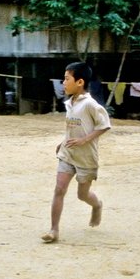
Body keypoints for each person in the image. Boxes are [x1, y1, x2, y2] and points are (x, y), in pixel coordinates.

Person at [41, 62, 111, 244]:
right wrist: (63, 142)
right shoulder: (70, 103)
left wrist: (84, 140)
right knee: (59, 189)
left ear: (79, 82)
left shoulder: (90, 104)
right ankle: (53, 230)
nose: (63, 83)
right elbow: (72, 127)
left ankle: (97, 205)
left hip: (86, 157)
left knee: (82, 195)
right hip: (68, 154)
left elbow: (104, 126)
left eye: (66, 79)